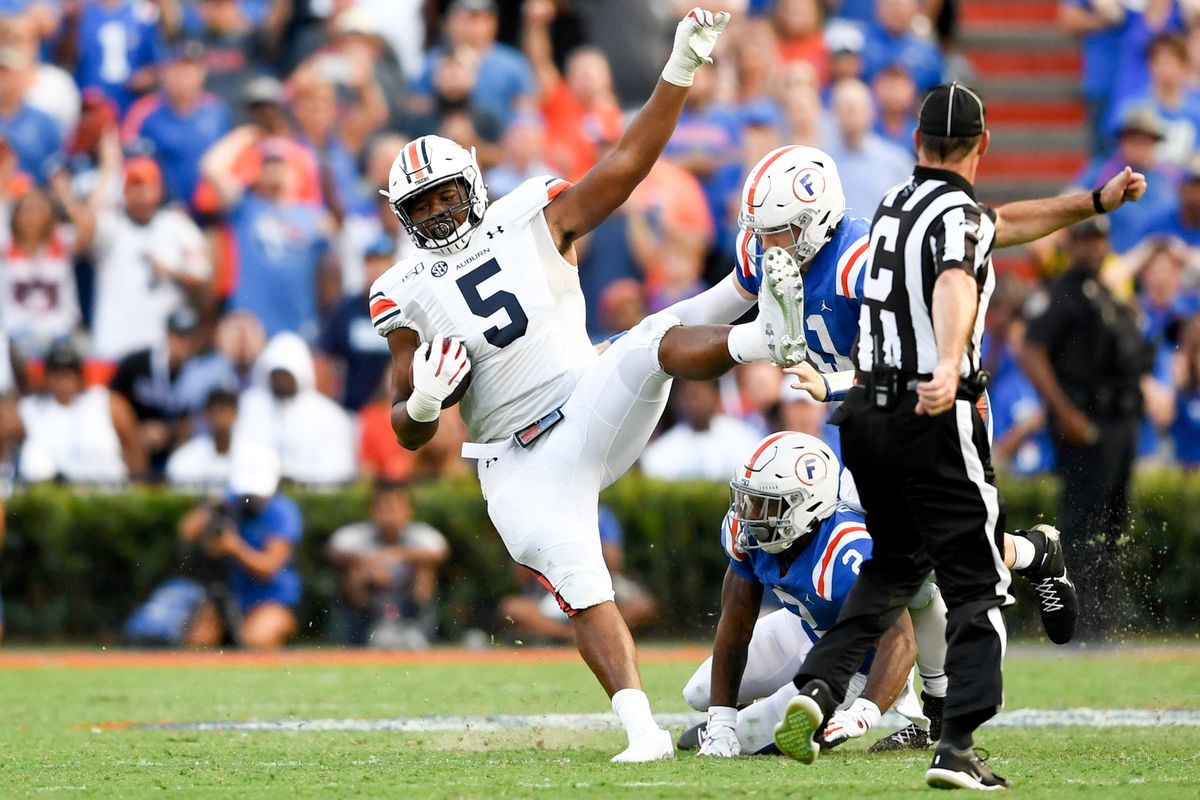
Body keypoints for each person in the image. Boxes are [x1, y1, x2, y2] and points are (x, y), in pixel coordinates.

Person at [371, 10, 792, 763]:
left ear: (471, 182)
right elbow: (405, 423)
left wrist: (679, 68)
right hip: (516, 462)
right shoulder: (401, 289)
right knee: (580, 581)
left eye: (444, 194)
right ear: (403, 216)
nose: (436, 212)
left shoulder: (530, 213)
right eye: (420, 205)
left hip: (587, 400)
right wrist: (426, 404)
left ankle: (765, 332)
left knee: (645, 345)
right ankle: (643, 733)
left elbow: (625, 166)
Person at [762, 82, 1146, 788]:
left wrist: (1093, 201)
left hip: (866, 416)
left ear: (917, 143)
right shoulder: (958, 220)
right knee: (976, 585)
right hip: (933, 411)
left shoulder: (893, 207)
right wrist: (945, 362)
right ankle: (958, 744)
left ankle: (819, 689)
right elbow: (955, 280)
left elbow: (1005, 223)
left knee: (892, 569)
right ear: (983, 145)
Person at [1019, 217, 1152, 637]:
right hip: (1085, 423)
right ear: (1071, 246)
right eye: (1085, 241)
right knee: (1081, 521)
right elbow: (1031, 351)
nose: (1094, 248)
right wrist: (1064, 412)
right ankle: (1079, 621)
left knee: (1112, 522)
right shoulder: (1062, 294)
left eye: (1100, 240)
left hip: (1119, 422)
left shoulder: (1107, 292)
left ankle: (1103, 618)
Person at [177, 443, 302, 649]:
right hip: (231, 596)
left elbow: (269, 567)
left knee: (257, 639)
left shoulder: (282, 511)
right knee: (198, 641)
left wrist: (234, 548)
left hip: (273, 599)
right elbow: (187, 530)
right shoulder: (231, 502)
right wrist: (212, 512)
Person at [90, 155, 212, 362]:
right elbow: (86, 227)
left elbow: (204, 278)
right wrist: (108, 168)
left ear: (159, 188)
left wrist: (173, 272)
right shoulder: (111, 224)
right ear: (124, 190)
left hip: (162, 345)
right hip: (115, 342)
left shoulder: (177, 225)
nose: (142, 192)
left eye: (148, 185)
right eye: (134, 185)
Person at [499, 505, 656, 643]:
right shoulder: (539, 519)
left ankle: (588, 636)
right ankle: (572, 636)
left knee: (642, 605)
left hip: (594, 590)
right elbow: (520, 575)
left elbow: (614, 564)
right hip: (549, 594)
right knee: (512, 608)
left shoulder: (600, 515)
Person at [326, 480, 450, 648]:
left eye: (396, 508)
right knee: (353, 571)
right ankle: (363, 632)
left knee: (425, 569)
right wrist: (367, 565)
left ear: (409, 510)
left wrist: (399, 555)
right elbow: (334, 551)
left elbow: (439, 553)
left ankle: (418, 629)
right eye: (384, 508)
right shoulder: (356, 535)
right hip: (370, 607)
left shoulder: (421, 534)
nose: (390, 516)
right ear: (372, 511)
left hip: (409, 604)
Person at [233, 332, 357, 485]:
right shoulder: (248, 407)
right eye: (277, 375)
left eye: (286, 375)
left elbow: (337, 469)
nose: (281, 381)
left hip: (311, 490)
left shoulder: (330, 416)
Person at [18, 342, 145, 483]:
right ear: (47, 378)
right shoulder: (31, 408)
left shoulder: (105, 402)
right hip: (58, 490)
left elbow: (134, 446)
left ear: (79, 377)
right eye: (57, 375)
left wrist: (137, 484)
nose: (63, 383)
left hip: (109, 487)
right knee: (34, 457)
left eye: (68, 375)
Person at [315, 234, 395, 413]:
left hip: (393, 413)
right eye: (372, 263)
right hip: (352, 410)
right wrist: (326, 405)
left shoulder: (406, 309)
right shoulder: (347, 309)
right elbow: (325, 357)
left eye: (383, 262)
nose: (378, 269)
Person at [640, 380, 762, 481]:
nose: (695, 401)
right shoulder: (660, 452)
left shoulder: (744, 438)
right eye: (688, 394)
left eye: (700, 392)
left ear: (716, 394)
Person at [166, 387, 238, 492]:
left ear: (235, 414)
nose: (220, 418)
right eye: (214, 412)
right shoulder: (184, 457)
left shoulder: (255, 454)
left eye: (223, 411)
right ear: (206, 416)